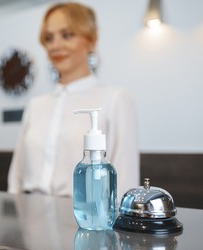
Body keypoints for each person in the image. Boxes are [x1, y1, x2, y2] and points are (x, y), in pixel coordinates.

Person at [8, 2, 139, 201]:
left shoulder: (116, 99)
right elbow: (16, 176)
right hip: (28, 217)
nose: (55, 45)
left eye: (67, 35)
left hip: (87, 221)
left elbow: (125, 181)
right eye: (49, 38)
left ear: (91, 40)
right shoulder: (35, 105)